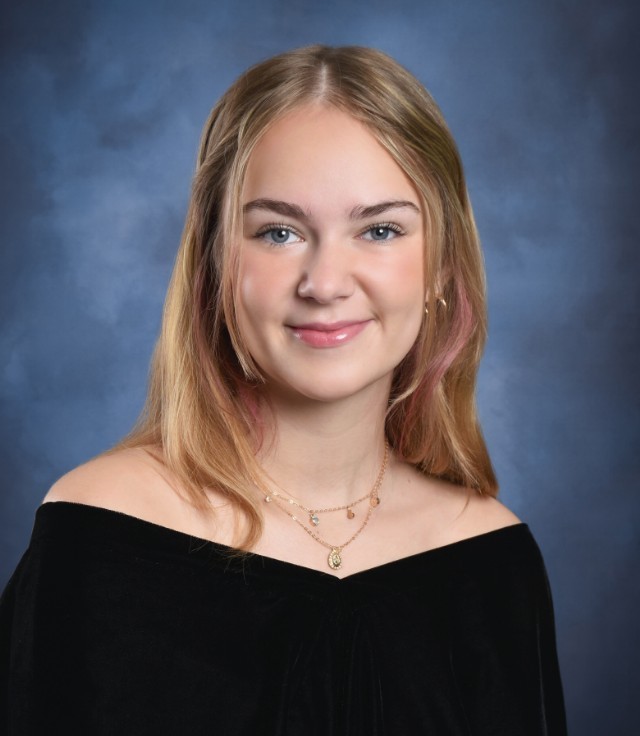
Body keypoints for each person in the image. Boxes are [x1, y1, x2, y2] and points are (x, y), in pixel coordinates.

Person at [0, 45, 567, 734]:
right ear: (215, 260)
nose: (325, 283)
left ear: (442, 267)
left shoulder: (492, 561)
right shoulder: (99, 534)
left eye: (380, 229)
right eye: (280, 232)